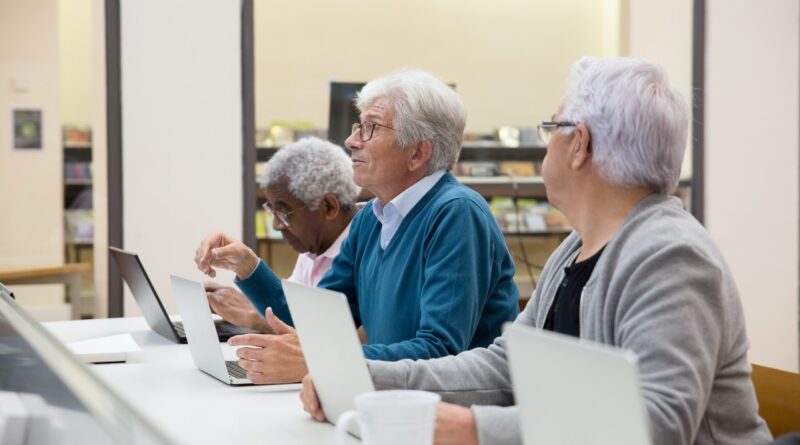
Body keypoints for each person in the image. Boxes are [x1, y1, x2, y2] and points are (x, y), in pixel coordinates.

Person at [300, 57, 773, 445]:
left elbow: (656, 425)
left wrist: (472, 429)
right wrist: (370, 379)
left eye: (553, 128)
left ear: (579, 145)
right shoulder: (575, 248)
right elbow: (504, 365)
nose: (547, 144)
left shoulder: (671, 257)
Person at [195, 69, 519, 384]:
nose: (351, 140)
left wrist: (322, 360)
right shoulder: (371, 219)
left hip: (449, 419)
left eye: (370, 127)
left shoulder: (456, 214)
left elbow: (441, 353)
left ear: (418, 152)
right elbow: (316, 321)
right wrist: (249, 267)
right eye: (357, 126)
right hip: (387, 402)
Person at [198, 137, 359, 335]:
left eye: (284, 214)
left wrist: (254, 316)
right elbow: (290, 310)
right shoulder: (314, 246)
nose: (276, 225)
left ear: (329, 207)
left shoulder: (364, 248)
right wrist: (247, 297)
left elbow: (325, 333)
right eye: (271, 211)